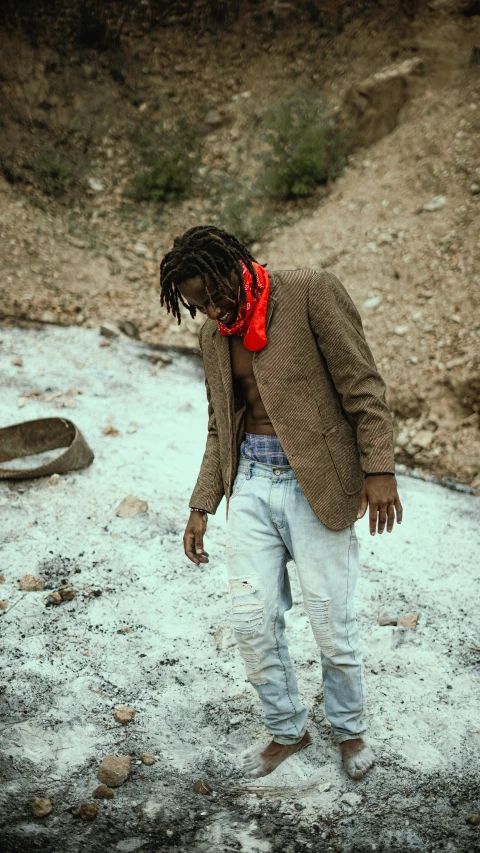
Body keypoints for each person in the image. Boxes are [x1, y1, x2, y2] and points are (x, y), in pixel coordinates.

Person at [159, 225, 402, 781]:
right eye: (196, 306)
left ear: (234, 267)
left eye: (214, 296)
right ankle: (288, 729)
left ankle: (350, 728)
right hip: (250, 482)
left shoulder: (309, 290)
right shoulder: (213, 336)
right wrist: (201, 504)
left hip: (315, 481)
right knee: (251, 620)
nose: (211, 311)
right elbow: (221, 425)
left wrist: (380, 468)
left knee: (330, 622)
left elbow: (363, 385)